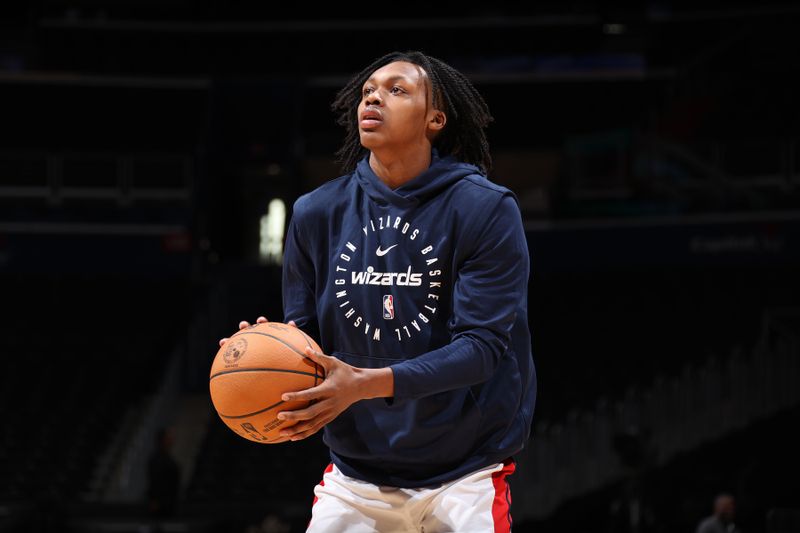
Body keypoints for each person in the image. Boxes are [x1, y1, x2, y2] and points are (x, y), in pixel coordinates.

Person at [220, 50, 536, 532]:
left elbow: (482, 349)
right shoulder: (316, 212)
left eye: (397, 90)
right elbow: (305, 339)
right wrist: (270, 348)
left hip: (464, 473)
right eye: (368, 91)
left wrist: (368, 383)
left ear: (435, 119)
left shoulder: (484, 209)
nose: (374, 97)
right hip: (357, 475)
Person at [146, 427, 181, 520]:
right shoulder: (155, 460)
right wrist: (155, 500)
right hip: (159, 504)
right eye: (168, 438)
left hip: (170, 504)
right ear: (162, 440)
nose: (171, 440)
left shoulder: (170, 461)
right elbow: (155, 482)